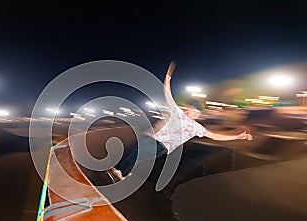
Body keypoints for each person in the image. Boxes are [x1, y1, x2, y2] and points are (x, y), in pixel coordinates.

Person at [107, 60, 253, 181]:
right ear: (189, 108)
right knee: (138, 152)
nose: (197, 114)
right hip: (156, 140)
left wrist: (237, 136)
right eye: (195, 111)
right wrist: (168, 78)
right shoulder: (178, 113)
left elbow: (215, 136)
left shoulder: (197, 127)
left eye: (199, 113)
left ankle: (119, 170)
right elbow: (167, 93)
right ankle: (120, 170)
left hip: (161, 146)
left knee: (140, 154)